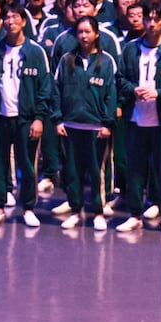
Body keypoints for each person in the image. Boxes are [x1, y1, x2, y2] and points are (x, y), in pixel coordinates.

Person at [0, 11, 50, 228]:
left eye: (16, 18)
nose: (11, 22)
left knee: (27, 165)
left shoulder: (36, 51)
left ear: (24, 22)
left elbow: (45, 87)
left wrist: (39, 118)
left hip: (26, 118)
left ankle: (28, 208)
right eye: (7, 18)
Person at [117, 11, 161, 233]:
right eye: (148, 19)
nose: (151, 24)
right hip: (135, 119)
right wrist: (132, 90)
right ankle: (135, 215)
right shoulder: (130, 48)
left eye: (157, 20)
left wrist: (159, 93)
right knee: (135, 168)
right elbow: (120, 79)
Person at [52, 23, 122, 230]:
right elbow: (56, 90)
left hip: (96, 128)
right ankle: (76, 211)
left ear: (96, 34)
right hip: (70, 125)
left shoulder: (107, 61)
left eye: (88, 31)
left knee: (97, 171)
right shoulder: (66, 60)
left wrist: (107, 123)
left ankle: (98, 211)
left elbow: (112, 94)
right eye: (80, 32)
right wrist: (58, 119)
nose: (83, 36)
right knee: (73, 171)